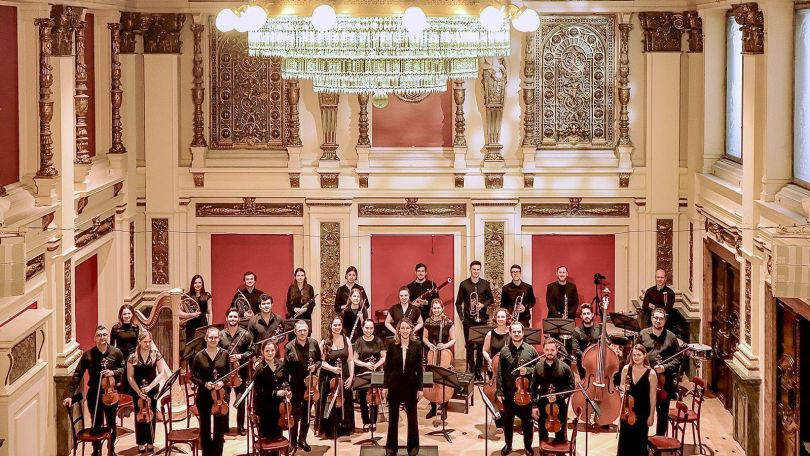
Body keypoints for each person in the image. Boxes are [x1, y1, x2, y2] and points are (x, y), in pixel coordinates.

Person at [62, 325, 126, 456]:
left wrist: (113, 372)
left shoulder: (116, 352)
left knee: (111, 423)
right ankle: (96, 450)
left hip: (110, 394)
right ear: (95, 338)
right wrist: (69, 395)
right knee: (95, 422)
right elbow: (77, 375)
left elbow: (123, 368)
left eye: (104, 334)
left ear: (107, 336)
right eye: (99, 335)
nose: (102, 337)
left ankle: (111, 449)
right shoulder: (88, 355)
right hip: (94, 394)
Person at [496, 322, 538, 456]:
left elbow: (538, 369)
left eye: (519, 331)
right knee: (508, 422)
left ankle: (528, 447)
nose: (517, 334)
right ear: (510, 333)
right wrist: (500, 391)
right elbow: (500, 373)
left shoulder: (531, 350)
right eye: (514, 332)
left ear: (523, 332)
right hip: (509, 394)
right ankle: (508, 445)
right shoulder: (504, 351)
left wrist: (528, 370)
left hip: (526, 394)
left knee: (528, 422)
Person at [384, 318, 424, 456]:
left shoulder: (417, 345)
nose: (405, 331)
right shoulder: (391, 344)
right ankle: (391, 448)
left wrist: (420, 388)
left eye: (408, 328)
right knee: (393, 418)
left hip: (411, 386)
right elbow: (387, 368)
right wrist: (385, 386)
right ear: (398, 330)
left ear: (411, 329)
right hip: (394, 385)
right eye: (403, 328)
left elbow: (420, 369)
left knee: (412, 418)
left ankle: (413, 448)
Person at [639, 307, 681, 436]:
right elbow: (636, 354)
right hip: (645, 379)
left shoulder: (671, 337)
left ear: (665, 320)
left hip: (664, 381)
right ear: (651, 318)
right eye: (655, 318)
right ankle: (643, 441)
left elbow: (678, 357)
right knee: (643, 412)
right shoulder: (643, 334)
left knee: (662, 413)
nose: (658, 321)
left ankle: (660, 440)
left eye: (661, 318)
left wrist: (665, 367)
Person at [126, 330, 170, 453]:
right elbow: (130, 377)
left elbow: (161, 373)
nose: (148, 344)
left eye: (149, 341)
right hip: (138, 390)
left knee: (151, 415)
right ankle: (140, 442)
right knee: (139, 416)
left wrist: (149, 387)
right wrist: (139, 391)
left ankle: (150, 441)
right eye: (145, 342)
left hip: (152, 389)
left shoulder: (156, 354)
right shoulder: (132, 357)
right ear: (139, 342)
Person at [284, 320, 322, 453]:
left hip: (310, 385)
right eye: (299, 330)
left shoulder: (314, 343)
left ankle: (302, 439)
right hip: (296, 385)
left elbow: (319, 360)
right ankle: (293, 442)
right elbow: (286, 369)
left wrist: (315, 366)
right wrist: (287, 387)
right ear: (295, 332)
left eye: (304, 330)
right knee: (295, 414)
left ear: (308, 330)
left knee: (306, 414)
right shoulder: (289, 347)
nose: (302, 332)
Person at [191, 327, 230, 456]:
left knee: (219, 428)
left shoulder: (224, 354)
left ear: (219, 339)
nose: (213, 340)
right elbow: (192, 376)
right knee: (205, 427)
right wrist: (204, 384)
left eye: (215, 337)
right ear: (206, 338)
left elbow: (229, 374)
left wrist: (222, 382)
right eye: (211, 337)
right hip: (204, 395)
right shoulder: (199, 356)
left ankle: (218, 454)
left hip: (220, 396)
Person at [531, 337, 576, 444]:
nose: (549, 353)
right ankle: (544, 451)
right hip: (542, 403)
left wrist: (558, 396)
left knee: (560, 432)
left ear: (556, 350)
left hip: (559, 404)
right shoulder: (538, 366)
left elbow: (571, 386)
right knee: (542, 431)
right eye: (547, 350)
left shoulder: (565, 367)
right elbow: (533, 387)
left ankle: (559, 450)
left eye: (552, 350)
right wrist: (534, 406)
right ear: (543, 350)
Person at [455, 260, 493, 380]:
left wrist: (483, 305)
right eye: (474, 269)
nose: (476, 271)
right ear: (470, 270)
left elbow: (491, 299)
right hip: (469, 320)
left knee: (482, 346)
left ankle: (478, 371)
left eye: (478, 269)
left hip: (481, 319)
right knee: (470, 346)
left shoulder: (485, 284)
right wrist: (462, 318)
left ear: (480, 270)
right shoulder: (464, 284)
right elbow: (458, 303)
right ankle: (471, 370)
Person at [318, 316, 356, 438]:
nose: (337, 327)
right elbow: (320, 362)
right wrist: (333, 369)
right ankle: (330, 429)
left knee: (344, 401)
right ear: (330, 326)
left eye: (339, 325)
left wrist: (351, 376)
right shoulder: (324, 342)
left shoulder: (347, 340)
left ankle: (343, 427)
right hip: (328, 377)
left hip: (343, 375)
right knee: (330, 402)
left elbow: (350, 360)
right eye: (335, 325)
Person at [617, 344, 658, 456]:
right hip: (627, 411)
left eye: (639, 355)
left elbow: (653, 397)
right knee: (625, 442)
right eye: (634, 355)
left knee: (640, 442)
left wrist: (651, 416)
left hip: (643, 412)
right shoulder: (626, 369)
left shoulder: (652, 373)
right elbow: (621, 386)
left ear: (645, 355)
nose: (636, 357)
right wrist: (622, 390)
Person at [219, 308, 254, 435]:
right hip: (226, 372)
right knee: (225, 399)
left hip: (241, 372)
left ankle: (241, 427)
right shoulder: (220, 335)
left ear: (238, 319)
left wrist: (240, 356)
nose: (233, 319)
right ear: (226, 318)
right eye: (230, 317)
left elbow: (252, 351)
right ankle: (224, 426)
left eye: (235, 317)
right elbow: (217, 352)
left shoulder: (245, 334)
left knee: (241, 400)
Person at [422, 299, 456, 419]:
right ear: (431, 309)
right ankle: (433, 408)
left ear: (442, 308)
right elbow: (424, 338)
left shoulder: (448, 322)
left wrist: (445, 346)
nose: (436, 310)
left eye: (438, 308)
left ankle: (445, 407)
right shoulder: (428, 321)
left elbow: (453, 339)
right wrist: (429, 345)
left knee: (443, 380)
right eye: (434, 308)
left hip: (445, 353)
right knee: (431, 379)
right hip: (432, 352)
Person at [253, 340, 291, 445]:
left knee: (277, 435)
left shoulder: (281, 364)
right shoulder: (259, 369)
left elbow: (285, 380)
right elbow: (259, 390)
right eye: (267, 351)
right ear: (262, 352)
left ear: (276, 350)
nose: (270, 353)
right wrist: (276, 393)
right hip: (264, 408)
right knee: (268, 439)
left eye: (272, 350)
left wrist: (287, 390)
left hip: (279, 407)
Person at [353, 319, 386, 431]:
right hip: (363, 371)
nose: (369, 330)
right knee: (362, 398)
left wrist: (376, 365)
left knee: (374, 396)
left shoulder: (378, 340)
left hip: (375, 371)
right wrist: (366, 365)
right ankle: (365, 421)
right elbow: (355, 359)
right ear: (362, 328)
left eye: (371, 328)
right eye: (367, 328)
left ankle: (373, 421)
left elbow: (383, 357)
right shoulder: (358, 341)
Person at [570, 303, 601, 379]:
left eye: (588, 313)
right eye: (584, 314)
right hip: (583, 362)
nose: (586, 316)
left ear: (592, 314)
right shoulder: (576, 331)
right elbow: (576, 349)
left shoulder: (599, 327)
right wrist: (587, 356)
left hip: (597, 360)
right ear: (581, 316)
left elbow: (606, 342)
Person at [183, 274, 211, 342]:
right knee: (191, 344)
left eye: (199, 282)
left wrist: (209, 327)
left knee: (202, 344)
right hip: (190, 323)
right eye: (195, 283)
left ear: (202, 283)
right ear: (192, 284)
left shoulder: (207, 295)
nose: (197, 284)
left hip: (203, 323)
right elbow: (181, 312)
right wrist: (192, 315)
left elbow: (210, 312)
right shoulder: (187, 296)